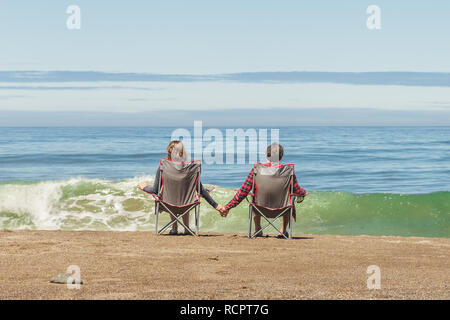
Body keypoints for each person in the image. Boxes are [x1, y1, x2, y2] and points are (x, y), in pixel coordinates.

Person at [219, 143, 306, 238]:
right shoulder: (287, 171)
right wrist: (304, 192)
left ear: (266, 155)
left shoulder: (257, 170)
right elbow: (297, 191)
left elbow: (243, 192)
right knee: (288, 199)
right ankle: (283, 230)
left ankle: (258, 229)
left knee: (254, 195)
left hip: (259, 208)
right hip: (283, 209)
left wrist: (227, 207)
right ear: (280, 158)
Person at [138, 140, 224, 235]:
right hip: (188, 205)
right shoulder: (191, 169)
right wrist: (216, 206)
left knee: (172, 194)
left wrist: (144, 187)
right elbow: (201, 190)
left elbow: (155, 190)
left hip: (168, 204)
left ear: (169, 153)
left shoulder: (163, 167)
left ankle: (174, 229)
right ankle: (186, 228)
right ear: (183, 153)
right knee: (185, 194)